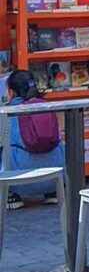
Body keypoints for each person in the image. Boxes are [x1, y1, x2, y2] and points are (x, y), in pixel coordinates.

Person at [3, 70, 65, 210]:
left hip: (18, 179)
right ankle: (53, 192)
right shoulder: (47, 107)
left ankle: (11, 196)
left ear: (11, 93)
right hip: (55, 175)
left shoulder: (7, 112)